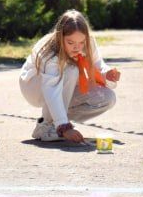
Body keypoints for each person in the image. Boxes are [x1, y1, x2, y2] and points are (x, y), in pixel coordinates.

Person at [19, 10, 121, 144]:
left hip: (63, 85)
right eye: (70, 42)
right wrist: (64, 128)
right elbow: (51, 89)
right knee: (71, 70)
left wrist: (106, 73)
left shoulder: (89, 42)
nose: (77, 48)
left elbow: (97, 63)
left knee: (107, 98)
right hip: (34, 86)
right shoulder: (50, 52)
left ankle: (57, 120)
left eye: (81, 42)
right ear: (60, 37)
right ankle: (47, 126)